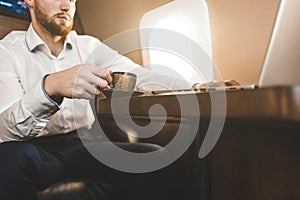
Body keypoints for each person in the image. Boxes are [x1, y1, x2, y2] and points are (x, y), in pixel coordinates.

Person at [0, 0, 196, 199]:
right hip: (36, 150)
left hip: (84, 145)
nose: (67, 6)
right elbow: (6, 131)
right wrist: (50, 86)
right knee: (8, 159)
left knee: (155, 157)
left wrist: (194, 86)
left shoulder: (87, 45)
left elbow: (138, 75)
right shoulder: (7, 51)